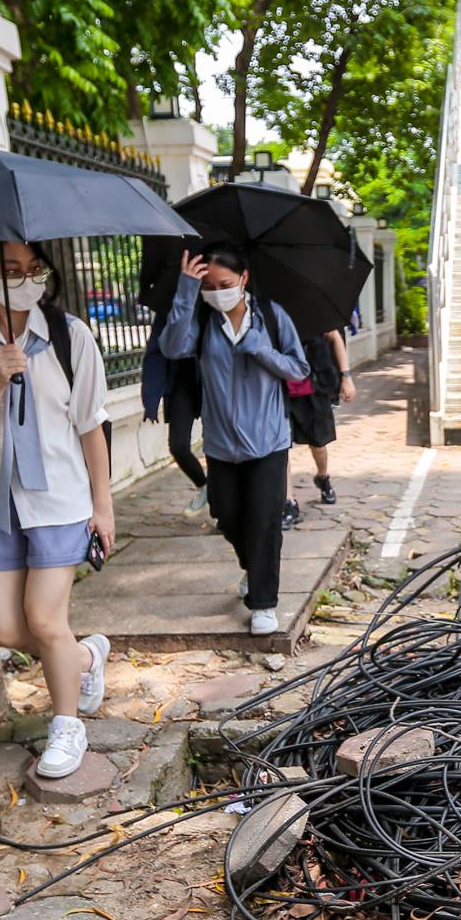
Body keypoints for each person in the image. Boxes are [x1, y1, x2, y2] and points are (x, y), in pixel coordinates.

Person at [0, 240, 113, 779]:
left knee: (44, 618)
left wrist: (102, 507)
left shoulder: (69, 335)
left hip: (59, 498)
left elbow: (91, 425)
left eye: (34, 269)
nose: (26, 279)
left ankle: (66, 727)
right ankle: (84, 660)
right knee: (8, 631)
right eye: (10, 270)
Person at [159, 245, 310, 635]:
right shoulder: (202, 320)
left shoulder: (272, 317)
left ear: (243, 279)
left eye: (224, 284)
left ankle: (263, 601)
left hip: (268, 442)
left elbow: (298, 369)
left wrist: (260, 350)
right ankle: (252, 566)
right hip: (221, 444)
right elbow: (173, 347)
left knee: (263, 520)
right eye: (209, 285)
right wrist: (186, 290)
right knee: (226, 515)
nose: (217, 292)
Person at [282, 327, 355, 529]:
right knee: (280, 448)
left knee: (319, 445)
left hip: (314, 389)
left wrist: (346, 377)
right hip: (281, 391)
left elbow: (334, 336)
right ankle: (289, 503)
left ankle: (322, 477)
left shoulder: (313, 310)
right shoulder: (273, 314)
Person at [141, 307, 211, 516]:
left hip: (211, 375)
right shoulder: (169, 307)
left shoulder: (212, 301)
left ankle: (221, 505)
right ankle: (205, 486)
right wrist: (151, 398)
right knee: (178, 446)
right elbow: (154, 352)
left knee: (216, 446)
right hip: (180, 378)